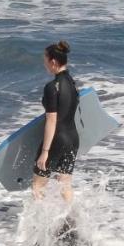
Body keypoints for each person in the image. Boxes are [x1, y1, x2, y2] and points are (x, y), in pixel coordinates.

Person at [33, 40, 78, 202]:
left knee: (38, 186)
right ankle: (70, 219)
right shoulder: (73, 84)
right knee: (65, 184)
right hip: (73, 139)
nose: (44, 64)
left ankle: (37, 225)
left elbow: (52, 120)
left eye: (45, 60)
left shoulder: (52, 87)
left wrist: (45, 152)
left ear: (53, 62)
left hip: (56, 140)